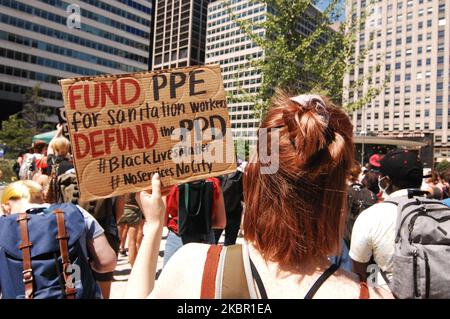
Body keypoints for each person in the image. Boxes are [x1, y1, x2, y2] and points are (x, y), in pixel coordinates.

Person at [125, 92, 391, 299]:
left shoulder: (194, 264)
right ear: (336, 197)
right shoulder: (370, 294)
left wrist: (153, 226)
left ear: (254, 184)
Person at [0, 180, 117, 298]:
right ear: (42, 197)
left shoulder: (2, 227)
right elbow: (107, 262)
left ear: (6, 207)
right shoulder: (76, 212)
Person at [350, 149, 424, 289]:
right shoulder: (443, 211)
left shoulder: (372, 216)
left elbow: (358, 270)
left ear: (385, 181)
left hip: (388, 291)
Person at [162, 178, 226, 266]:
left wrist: (175, 221)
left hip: (177, 238)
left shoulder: (169, 185)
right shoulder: (213, 184)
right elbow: (221, 223)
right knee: (206, 278)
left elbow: (162, 222)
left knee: (170, 277)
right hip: (205, 239)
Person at [214, 162, 245, 246]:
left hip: (218, 213)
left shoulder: (216, 174)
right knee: (230, 244)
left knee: (213, 242)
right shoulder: (240, 175)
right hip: (234, 212)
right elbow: (244, 197)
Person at [117, 192, 144, 267]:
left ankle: (111, 271)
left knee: (116, 241)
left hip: (120, 208)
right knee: (132, 241)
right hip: (134, 209)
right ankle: (134, 268)